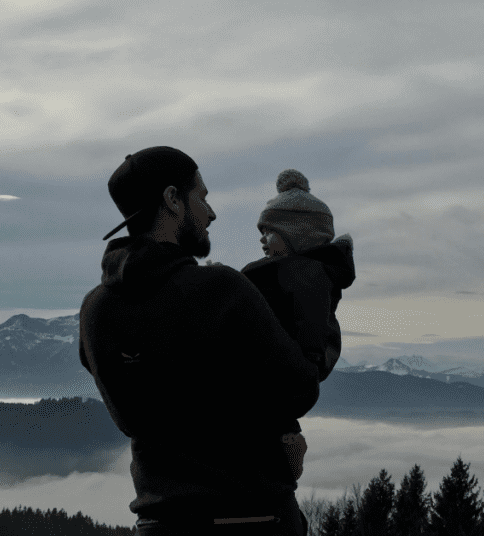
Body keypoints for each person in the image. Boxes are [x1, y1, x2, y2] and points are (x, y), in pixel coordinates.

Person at [79, 146, 316, 536]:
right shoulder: (221, 290)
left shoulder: (95, 312)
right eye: (202, 198)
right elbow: (300, 388)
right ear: (172, 200)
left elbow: (144, 411)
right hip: (250, 520)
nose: (211, 212)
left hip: (158, 524)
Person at [236, 169, 355, 482]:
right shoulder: (293, 276)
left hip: (267, 415)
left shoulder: (304, 278)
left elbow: (305, 354)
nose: (262, 239)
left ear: (296, 234)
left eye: (269, 232)